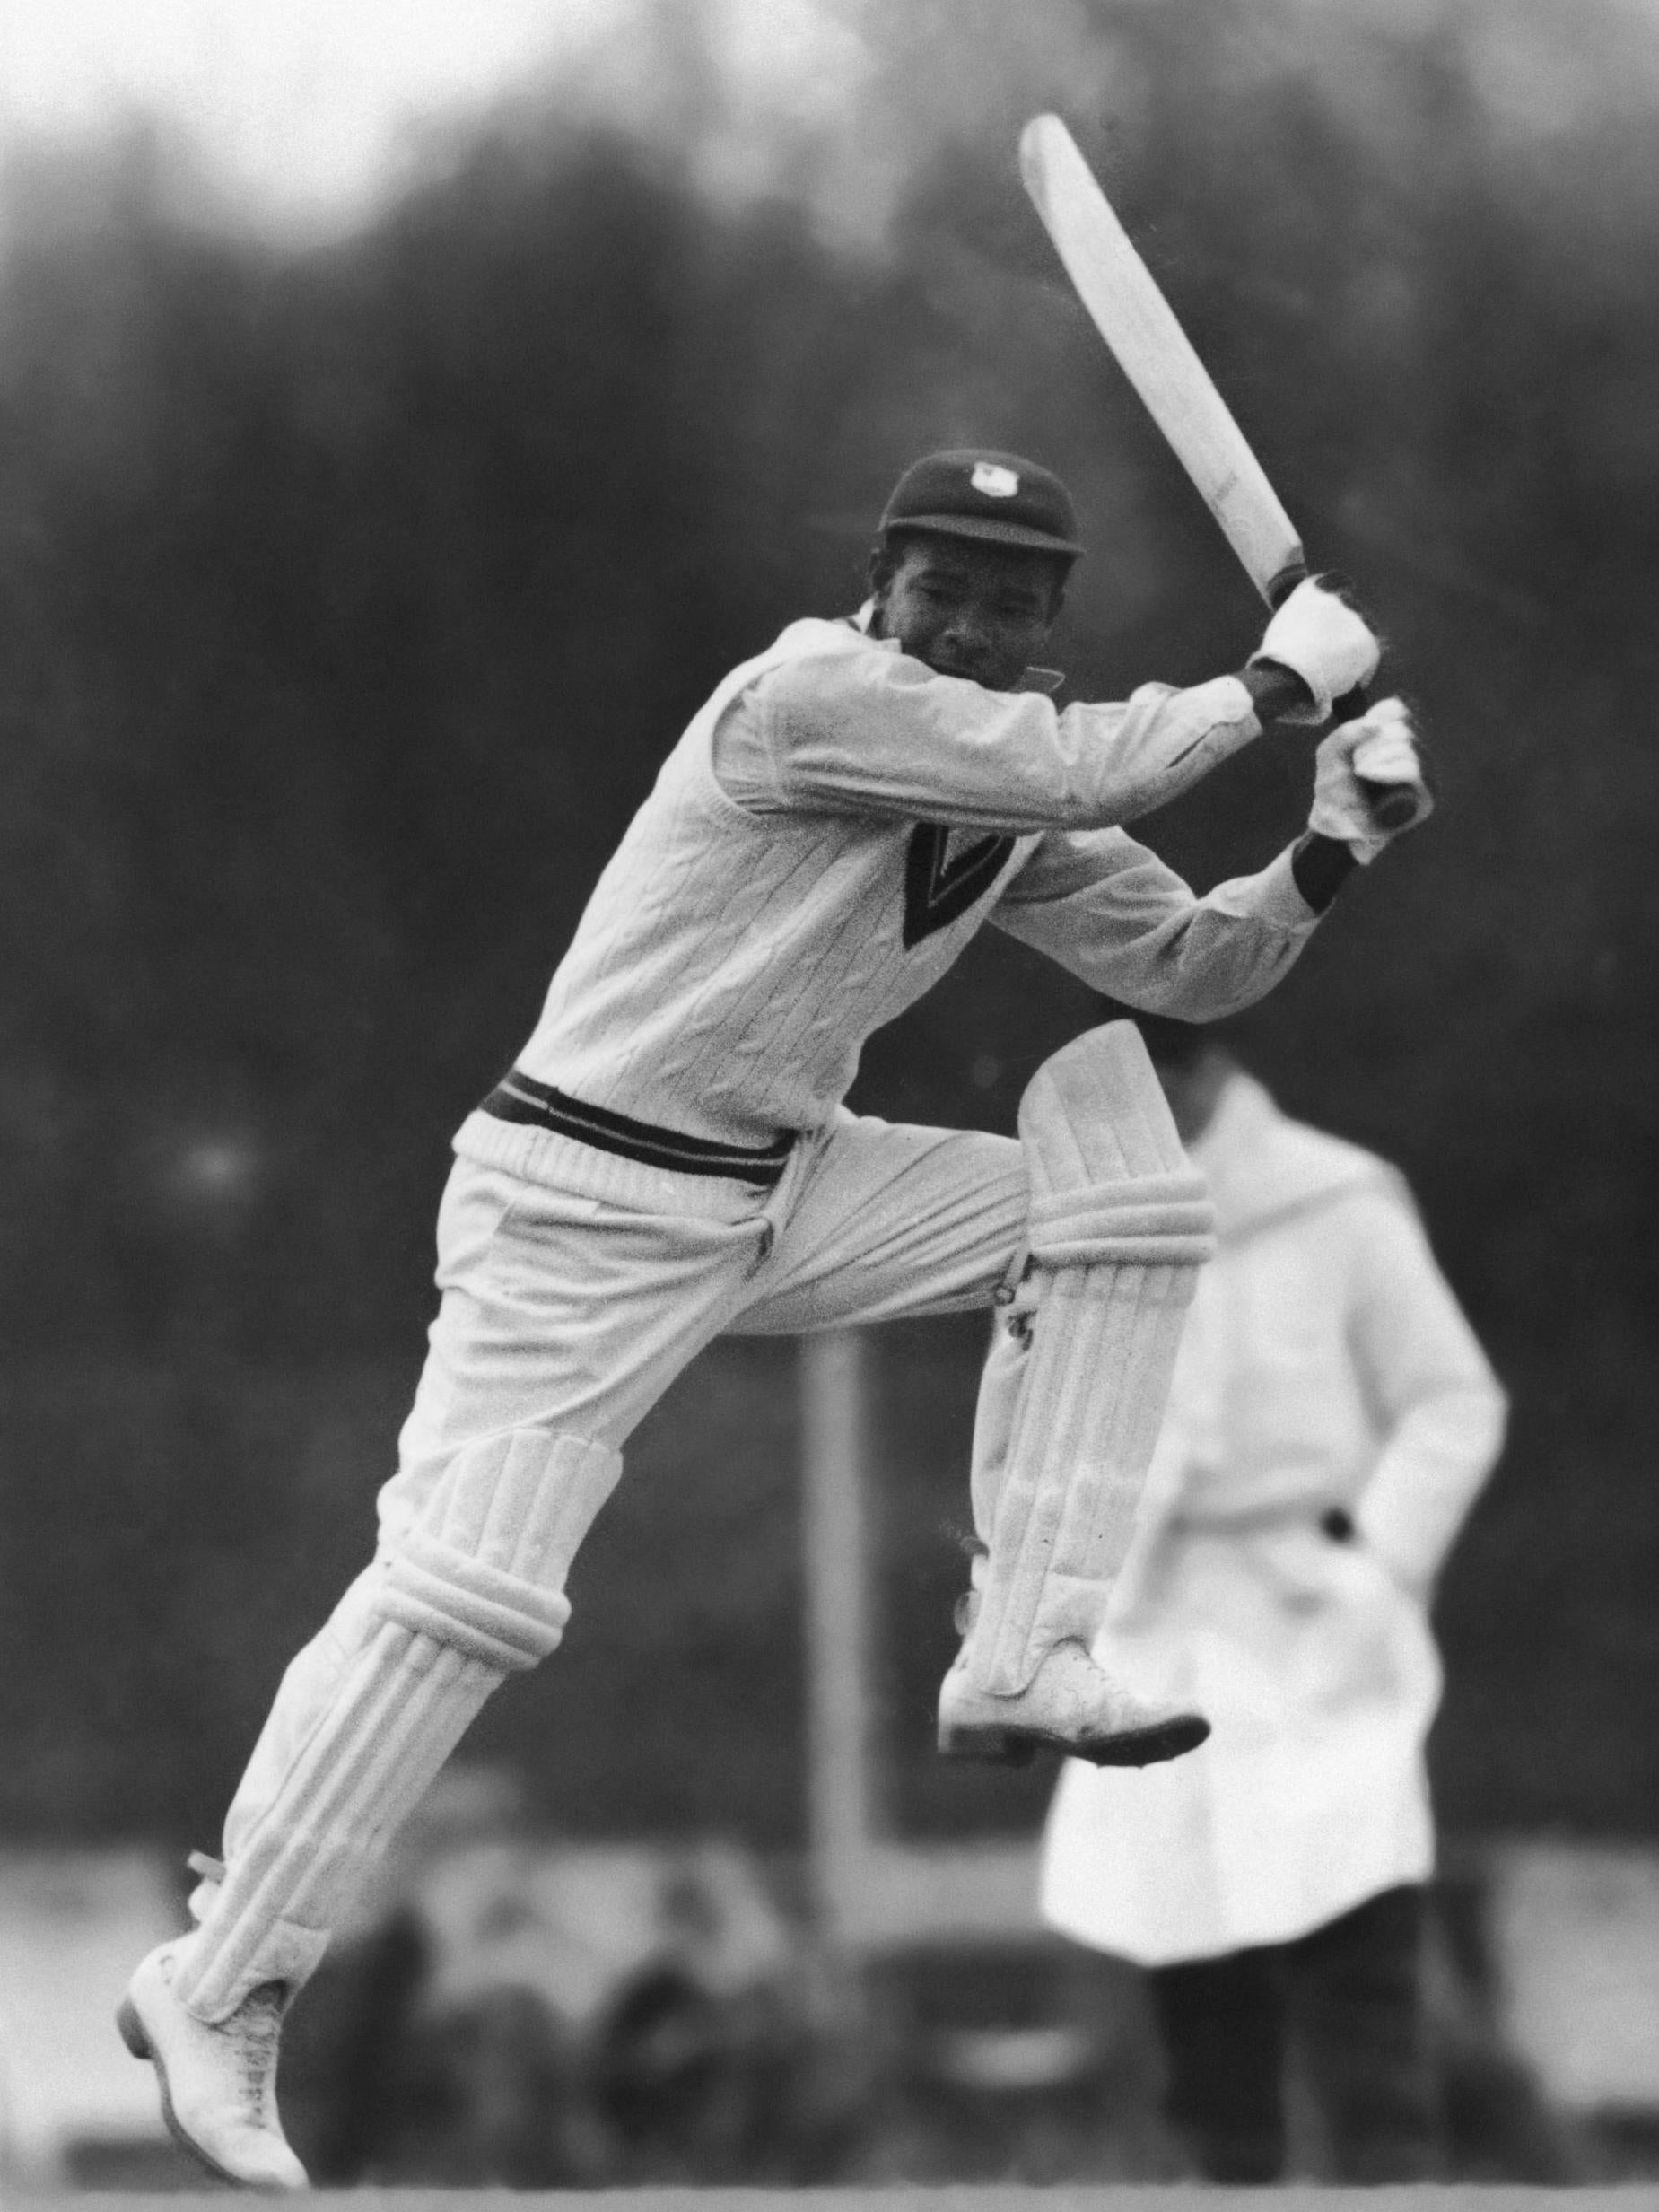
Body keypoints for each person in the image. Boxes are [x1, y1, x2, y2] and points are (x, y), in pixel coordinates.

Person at [117, 446, 1430, 2187]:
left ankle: (1024, 1640)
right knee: (467, 1593)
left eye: (1009, 603)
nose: (967, 626)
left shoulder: (1003, 786)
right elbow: (1085, 753)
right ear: (876, 589)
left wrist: (1328, 847)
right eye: (938, 588)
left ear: (1051, 624)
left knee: (1120, 1205)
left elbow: (1192, 967)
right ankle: (223, 1982)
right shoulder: (805, 695)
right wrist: (1272, 690)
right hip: (576, 1203)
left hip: (781, 1185)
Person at [1033, 1014, 1507, 2182]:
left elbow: (1451, 1401)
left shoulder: (1335, 1201)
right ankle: (1227, 2184)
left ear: (1196, 1073)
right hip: (1160, 1617)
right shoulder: (1098, 1220)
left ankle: (1391, 2182)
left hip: (1306, 1612)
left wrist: (1376, 1565)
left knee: (1353, 1942)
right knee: (1188, 1952)